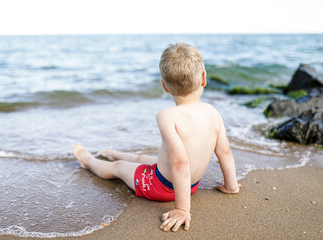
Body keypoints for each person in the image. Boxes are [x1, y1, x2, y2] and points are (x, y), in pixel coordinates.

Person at [73, 42, 240, 232]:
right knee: (143, 159)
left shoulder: (167, 115)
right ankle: (113, 153)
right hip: (190, 185)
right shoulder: (213, 112)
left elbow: (179, 163)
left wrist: (182, 209)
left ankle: (88, 160)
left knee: (119, 169)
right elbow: (224, 151)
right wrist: (231, 186)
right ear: (203, 78)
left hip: (162, 187)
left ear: (164, 86)